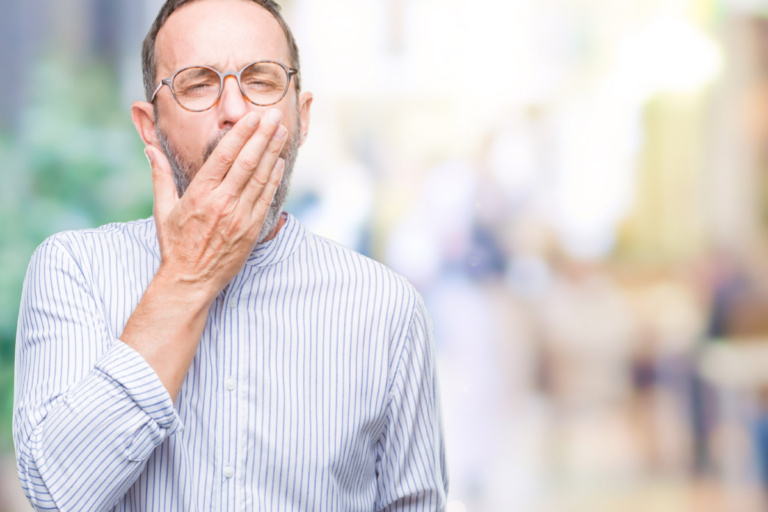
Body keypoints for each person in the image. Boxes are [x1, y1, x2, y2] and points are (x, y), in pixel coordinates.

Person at [12, 0, 449, 510]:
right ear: (150, 126)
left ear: (302, 118)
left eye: (261, 80)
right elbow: (56, 495)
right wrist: (188, 275)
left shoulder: (388, 309)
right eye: (198, 83)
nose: (235, 110)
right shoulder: (72, 271)